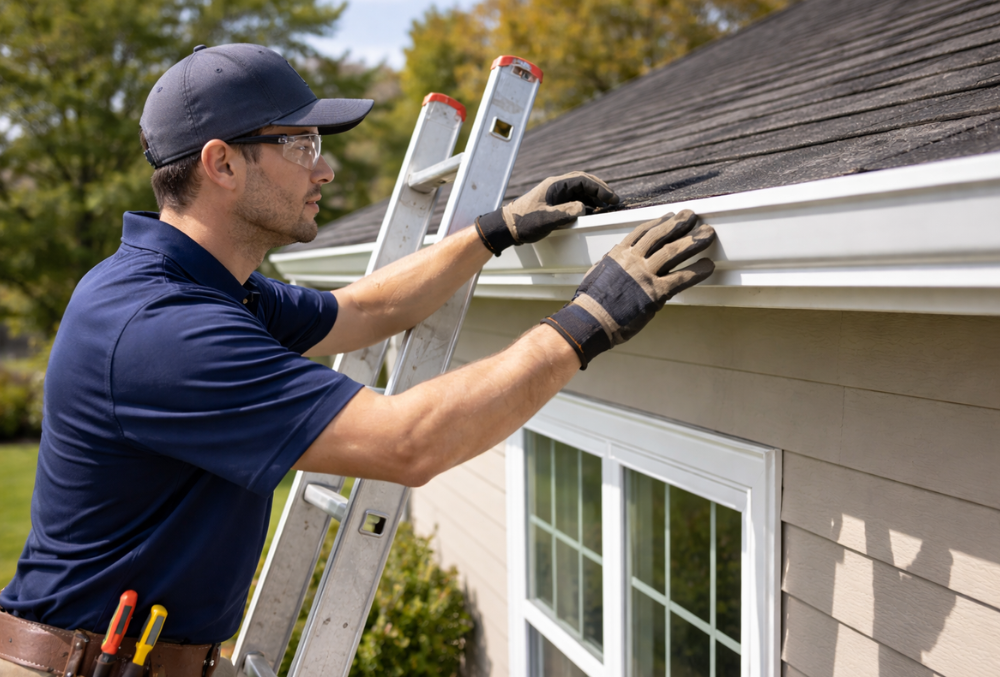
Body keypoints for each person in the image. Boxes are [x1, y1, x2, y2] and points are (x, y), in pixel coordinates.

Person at [0, 44, 716, 677]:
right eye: (302, 145)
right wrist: (587, 321)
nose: (327, 169)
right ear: (221, 163)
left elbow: (363, 310)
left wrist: (490, 232)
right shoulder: (164, 328)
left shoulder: (208, 287)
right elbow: (409, 441)